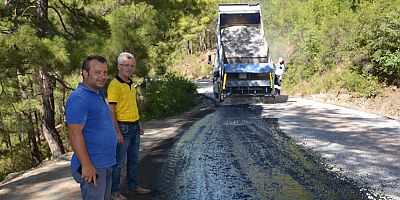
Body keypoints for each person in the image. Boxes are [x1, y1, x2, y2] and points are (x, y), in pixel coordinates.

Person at [66, 55, 117, 200]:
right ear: (85, 73)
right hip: (94, 166)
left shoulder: (98, 94)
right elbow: (74, 134)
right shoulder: (79, 98)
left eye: (105, 72)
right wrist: (86, 165)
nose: (102, 76)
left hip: (105, 163)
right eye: (97, 72)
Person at [108, 52, 151, 200]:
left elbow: (133, 106)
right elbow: (111, 110)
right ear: (119, 66)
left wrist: (139, 123)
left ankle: (133, 187)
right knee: (118, 163)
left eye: (132, 66)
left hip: (134, 127)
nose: (129, 68)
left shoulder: (131, 83)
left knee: (133, 160)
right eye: (126, 65)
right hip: (123, 128)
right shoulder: (114, 85)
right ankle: (114, 192)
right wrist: (117, 132)